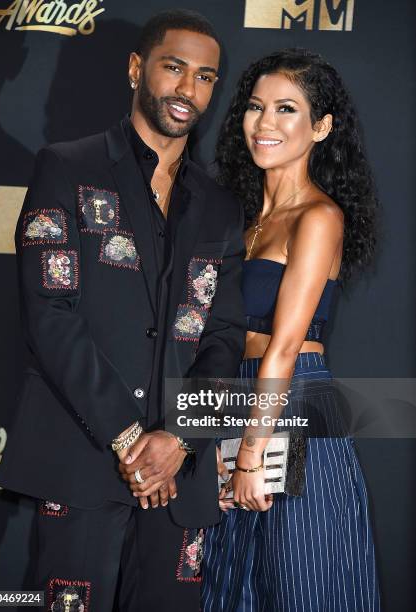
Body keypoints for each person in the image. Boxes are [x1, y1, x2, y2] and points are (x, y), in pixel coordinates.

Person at [0, 10, 246, 612]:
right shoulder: (67, 165)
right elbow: (51, 316)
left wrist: (179, 439)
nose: (189, 90)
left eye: (206, 77)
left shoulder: (221, 207)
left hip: (181, 474)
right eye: (174, 67)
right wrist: (135, 441)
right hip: (83, 463)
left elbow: (225, 337)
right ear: (137, 68)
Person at [201, 49, 381, 611]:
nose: (266, 123)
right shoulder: (243, 219)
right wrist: (213, 444)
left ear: (321, 127)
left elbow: (282, 349)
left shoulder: (319, 217)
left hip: (292, 397)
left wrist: (251, 456)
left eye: (286, 109)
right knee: (234, 583)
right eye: (256, 108)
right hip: (236, 394)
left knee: (302, 579)